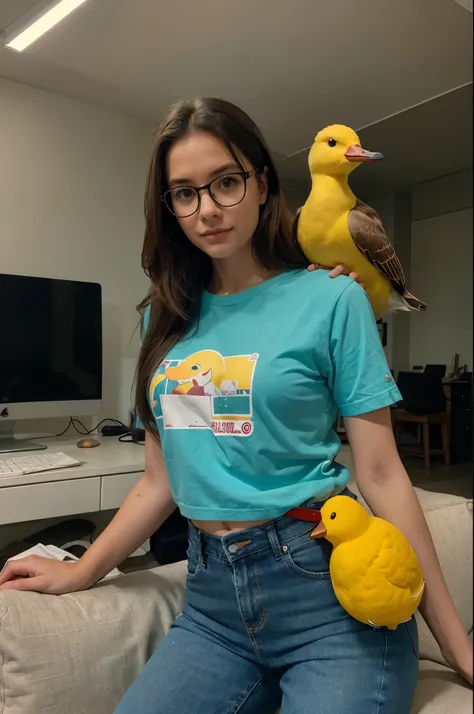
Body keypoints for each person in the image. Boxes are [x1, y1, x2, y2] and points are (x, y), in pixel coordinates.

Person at [0, 98, 471, 713]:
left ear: (262, 183)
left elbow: (382, 473)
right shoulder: (162, 324)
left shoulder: (331, 298)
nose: (209, 210)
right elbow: (158, 481)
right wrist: (84, 569)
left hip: (329, 591)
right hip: (214, 603)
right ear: (168, 207)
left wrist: (457, 645)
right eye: (185, 193)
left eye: (226, 182)